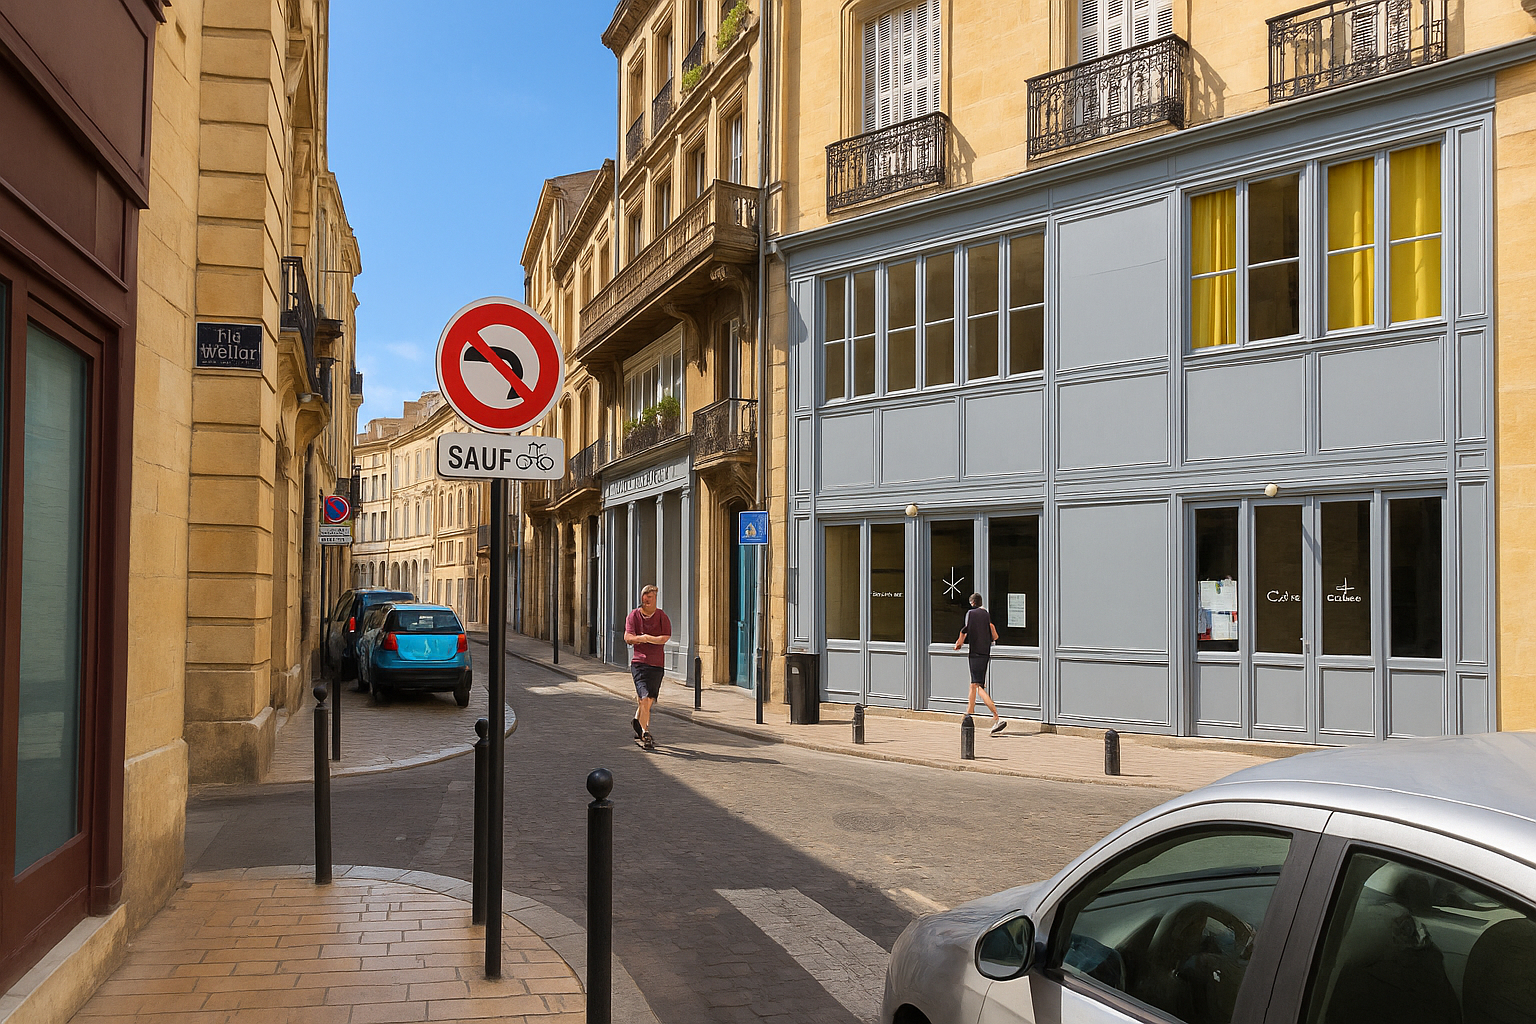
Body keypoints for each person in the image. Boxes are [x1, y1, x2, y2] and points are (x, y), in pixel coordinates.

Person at [624, 584, 672, 748]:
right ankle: (645, 733)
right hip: (639, 663)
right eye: (647, 597)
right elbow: (628, 637)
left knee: (648, 701)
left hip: (657, 664)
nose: (648, 600)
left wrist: (646, 638)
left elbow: (664, 638)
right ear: (642, 598)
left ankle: (637, 721)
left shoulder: (662, 617)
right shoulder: (633, 616)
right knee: (644, 698)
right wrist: (643, 638)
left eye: (652, 597)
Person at [954, 593, 1005, 734]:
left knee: (978, 686)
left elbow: (965, 629)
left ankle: (996, 717)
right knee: (973, 683)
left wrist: (959, 643)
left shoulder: (971, 613)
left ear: (972, 603)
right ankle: (969, 712)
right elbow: (994, 634)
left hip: (975, 653)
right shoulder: (986, 614)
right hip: (985, 652)